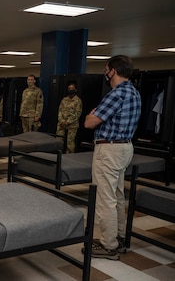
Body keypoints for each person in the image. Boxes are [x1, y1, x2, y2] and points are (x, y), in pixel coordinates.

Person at [84, 55, 142, 260]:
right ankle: (119, 237)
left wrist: (92, 114)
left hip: (109, 150)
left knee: (104, 197)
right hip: (125, 148)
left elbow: (89, 122)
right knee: (117, 195)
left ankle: (108, 245)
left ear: (113, 71)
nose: (105, 73)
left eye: (106, 69)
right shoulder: (134, 92)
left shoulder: (116, 94)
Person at [56, 82, 83, 153]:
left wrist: (67, 122)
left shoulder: (78, 101)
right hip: (61, 124)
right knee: (59, 140)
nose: (70, 90)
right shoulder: (64, 99)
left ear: (75, 90)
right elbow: (60, 111)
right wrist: (62, 121)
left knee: (70, 142)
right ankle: (58, 156)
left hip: (72, 125)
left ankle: (69, 157)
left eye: (72, 89)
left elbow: (77, 113)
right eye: (69, 88)